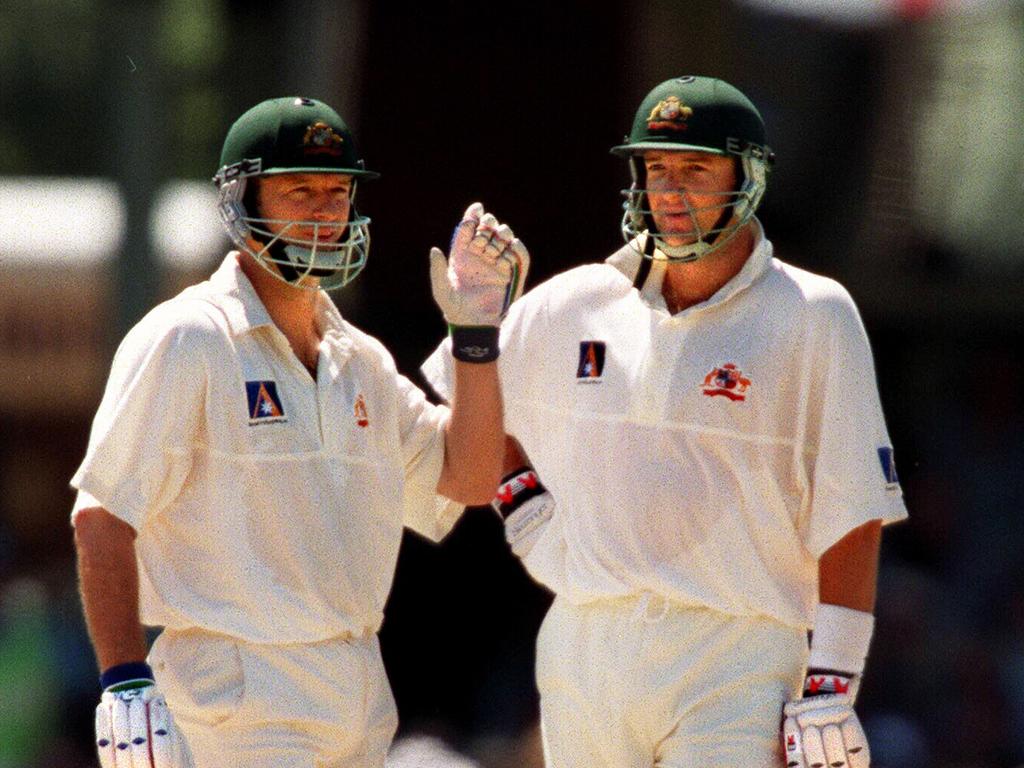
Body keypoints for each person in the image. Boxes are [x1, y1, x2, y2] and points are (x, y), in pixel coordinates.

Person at [422, 76, 907, 768]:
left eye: (696, 170)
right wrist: (525, 506)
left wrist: (831, 684)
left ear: (748, 178)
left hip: (734, 653)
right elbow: (469, 407)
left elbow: (852, 507)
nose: (671, 192)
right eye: (656, 169)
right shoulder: (578, 301)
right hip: (585, 645)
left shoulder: (812, 314)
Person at [71, 96, 528, 768]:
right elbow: (102, 513)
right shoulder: (189, 337)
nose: (323, 211)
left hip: (356, 692)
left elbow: (470, 475)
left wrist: (476, 335)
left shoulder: (362, 361)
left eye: (336, 191)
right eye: (299, 190)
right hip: (236, 695)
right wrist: (124, 682)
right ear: (242, 201)